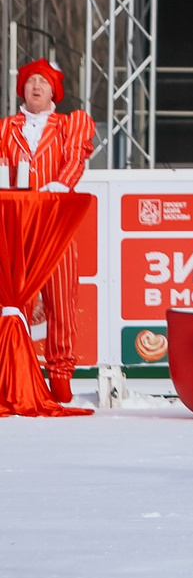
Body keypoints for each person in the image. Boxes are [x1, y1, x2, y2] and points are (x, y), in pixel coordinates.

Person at [4, 59, 96, 403]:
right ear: (22, 89)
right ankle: (17, 371)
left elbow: (75, 159)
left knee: (61, 303)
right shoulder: (5, 129)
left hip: (56, 225)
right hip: (17, 229)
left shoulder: (68, 125)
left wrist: (59, 184)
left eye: (43, 81)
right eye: (30, 81)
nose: (36, 86)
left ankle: (60, 374)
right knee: (16, 304)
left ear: (54, 90)